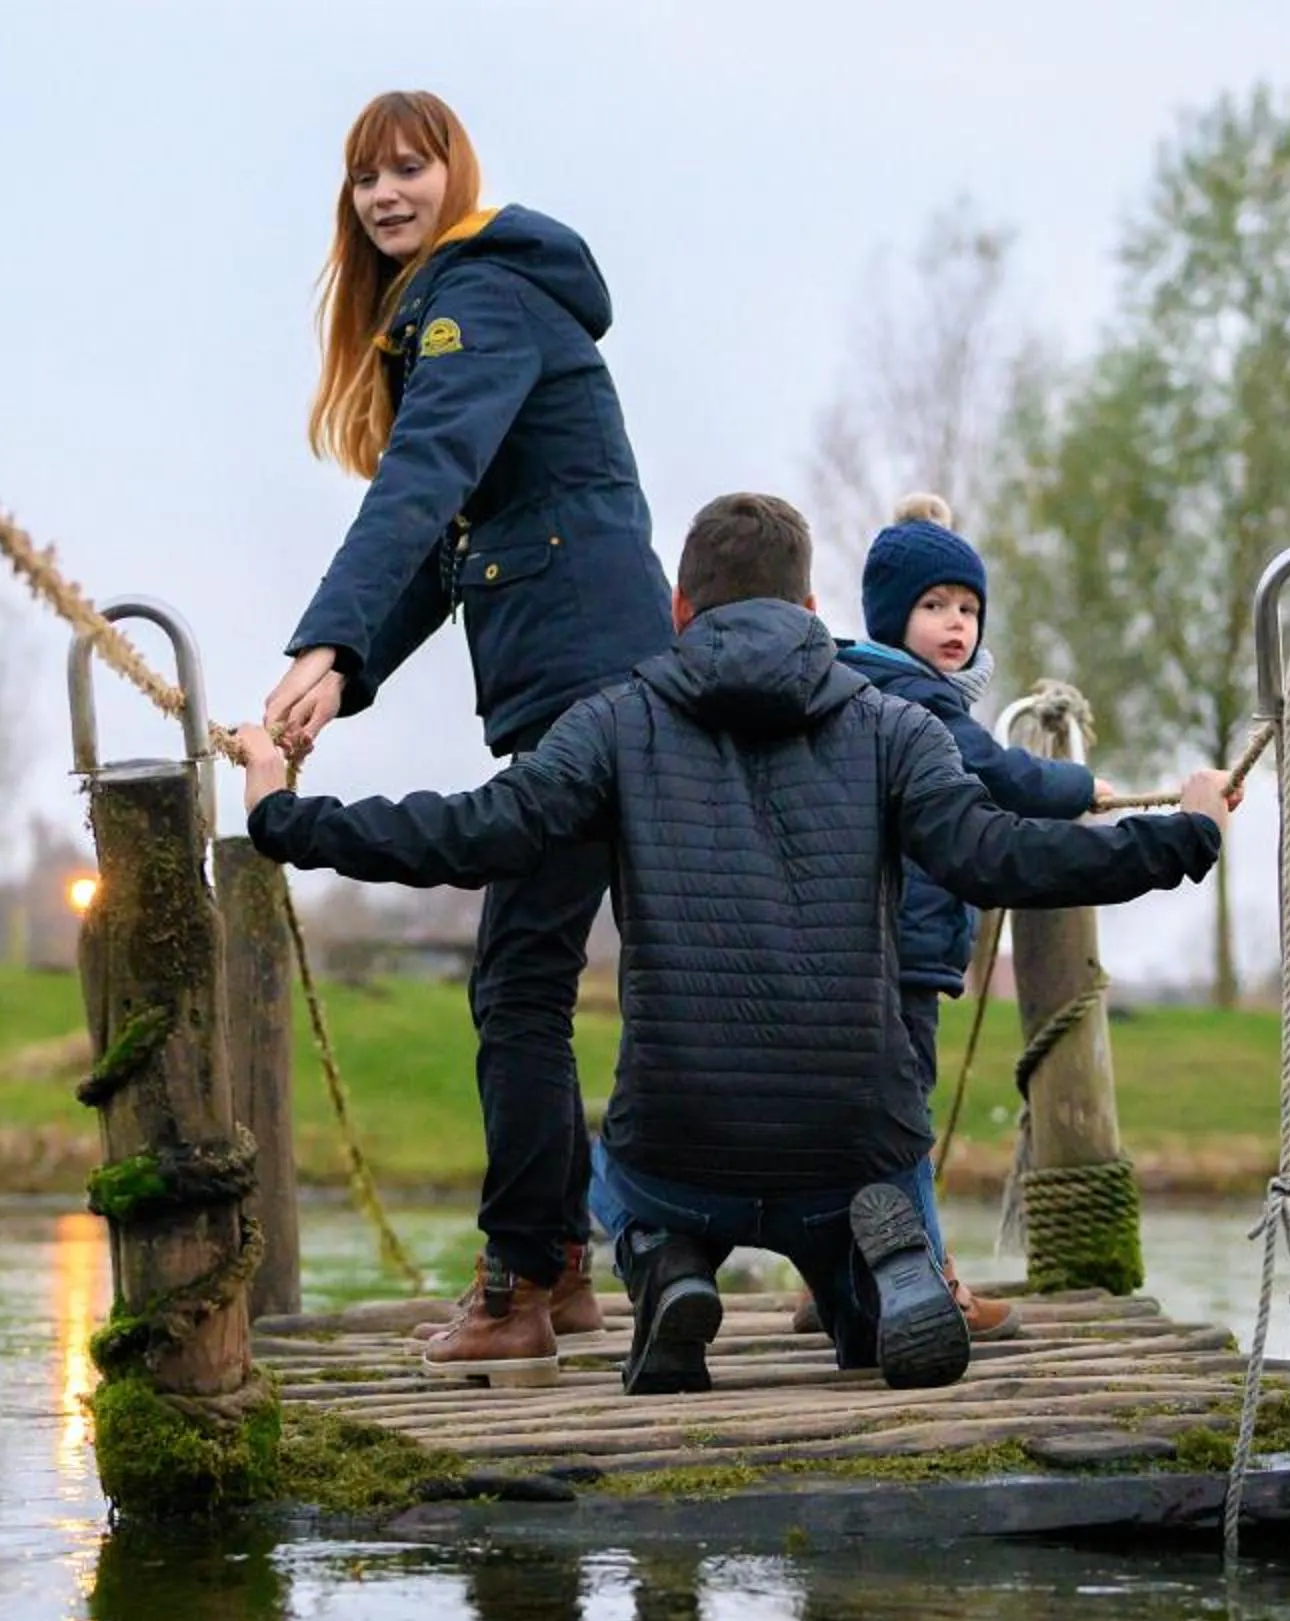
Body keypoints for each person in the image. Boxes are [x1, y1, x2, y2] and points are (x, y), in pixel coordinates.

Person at [237, 493, 1231, 1393]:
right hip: (853, 1139)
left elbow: (466, 833)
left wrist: (285, 815)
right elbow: (1004, 858)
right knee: (856, 1216)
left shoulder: (613, 721)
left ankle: (667, 1264)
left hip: (679, 1141)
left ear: (679, 611)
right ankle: (877, 1275)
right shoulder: (894, 727)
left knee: (616, 1172)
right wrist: (1185, 835)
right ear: (810, 608)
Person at [262, 89, 675, 1368]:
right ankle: (555, 1273)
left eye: (409, 169)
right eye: (366, 180)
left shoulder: (477, 298)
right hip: (587, 671)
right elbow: (456, 553)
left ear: (455, 173)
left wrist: (320, 637)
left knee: (516, 988)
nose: (387, 195)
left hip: (588, 682)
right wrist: (346, 674)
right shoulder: (470, 302)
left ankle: (520, 1286)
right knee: (526, 979)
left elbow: (423, 478)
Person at [810, 493, 1125, 1342]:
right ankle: (928, 1284)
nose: (956, 624)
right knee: (903, 1114)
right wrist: (1078, 788)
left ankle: (835, 1279)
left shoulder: (861, 683)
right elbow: (998, 772)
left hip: (857, 944)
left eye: (968, 609)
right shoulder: (922, 702)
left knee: (855, 1115)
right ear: (890, 615)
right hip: (902, 945)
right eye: (934, 606)